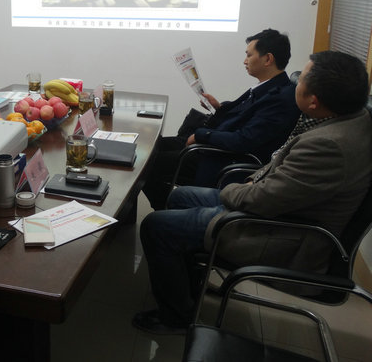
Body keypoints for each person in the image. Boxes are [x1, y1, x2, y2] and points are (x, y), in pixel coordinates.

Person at [133, 50, 372, 334]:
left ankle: (175, 317)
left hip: (279, 232)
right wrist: (249, 185)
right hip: (276, 208)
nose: (296, 82)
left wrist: (235, 190)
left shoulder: (328, 145)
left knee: (155, 225)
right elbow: (278, 175)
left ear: (313, 100)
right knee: (178, 196)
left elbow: (262, 200)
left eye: (302, 79)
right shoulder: (351, 121)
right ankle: (188, 282)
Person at [143, 29, 300, 210]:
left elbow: (244, 140)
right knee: (150, 147)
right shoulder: (269, 87)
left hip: (221, 158)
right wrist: (219, 108)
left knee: (149, 164)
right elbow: (244, 115)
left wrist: (202, 135)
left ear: (268, 59)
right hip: (214, 147)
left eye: (249, 55)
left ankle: (165, 212)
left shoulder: (279, 99)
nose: (245, 61)